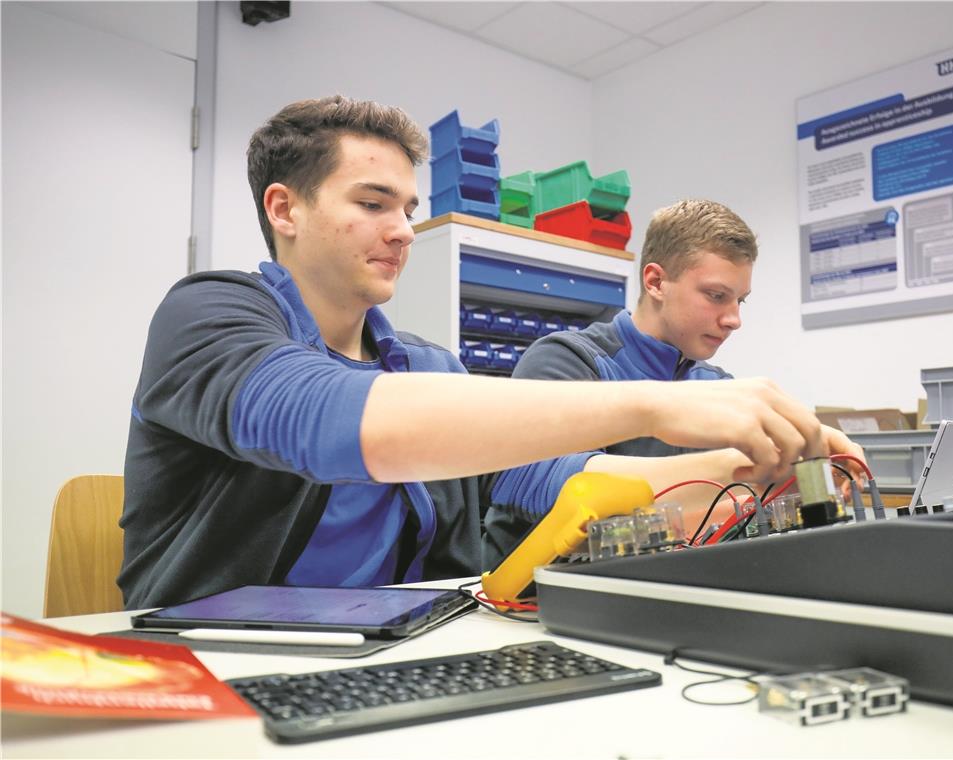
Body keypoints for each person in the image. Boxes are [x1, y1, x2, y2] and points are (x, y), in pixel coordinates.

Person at [119, 97, 832, 608]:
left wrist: (754, 462)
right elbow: (328, 417)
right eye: (373, 204)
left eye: (408, 209)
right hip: (214, 658)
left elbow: (560, 481)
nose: (402, 230)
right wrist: (660, 401)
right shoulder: (208, 313)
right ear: (284, 210)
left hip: (397, 649)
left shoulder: (428, 367)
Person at [484, 199, 861, 568]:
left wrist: (794, 478)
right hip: (533, 608)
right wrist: (736, 466)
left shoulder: (718, 386)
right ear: (656, 282)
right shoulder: (568, 360)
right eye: (716, 296)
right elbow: (531, 482)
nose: (733, 319)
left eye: (740, 301)